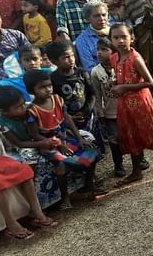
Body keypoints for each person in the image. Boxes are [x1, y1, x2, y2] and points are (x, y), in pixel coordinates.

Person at [24, 69, 103, 207]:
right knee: (61, 164)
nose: (48, 89)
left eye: (49, 85)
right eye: (42, 87)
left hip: (65, 140)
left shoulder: (58, 99)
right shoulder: (32, 111)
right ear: (31, 91)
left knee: (91, 151)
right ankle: (65, 197)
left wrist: (79, 138)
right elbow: (35, 134)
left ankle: (89, 184)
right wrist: (57, 144)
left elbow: (67, 120)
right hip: (48, 145)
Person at [108, 23, 153, 188]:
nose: (120, 41)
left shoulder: (135, 58)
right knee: (132, 135)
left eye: (124, 37)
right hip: (125, 104)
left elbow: (150, 82)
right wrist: (114, 83)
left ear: (132, 38)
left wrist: (124, 87)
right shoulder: (114, 58)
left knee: (152, 133)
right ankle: (136, 171)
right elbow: (118, 77)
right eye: (116, 37)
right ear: (111, 40)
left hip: (141, 102)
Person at [89, 38, 126, 177]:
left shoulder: (121, 66)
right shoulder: (95, 72)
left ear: (113, 51)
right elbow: (97, 94)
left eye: (104, 50)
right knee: (114, 139)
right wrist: (100, 111)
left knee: (130, 134)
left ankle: (139, 159)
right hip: (109, 111)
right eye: (98, 50)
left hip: (125, 108)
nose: (99, 53)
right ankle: (118, 165)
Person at [0, 3, 30, 81]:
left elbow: (32, 56)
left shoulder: (16, 35)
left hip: (31, 76)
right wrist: (20, 81)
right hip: (7, 85)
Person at [73, 0, 110, 72]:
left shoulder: (116, 31)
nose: (102, 19)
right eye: (96, 16)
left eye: (104, 15)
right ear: (87, 19)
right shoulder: (82, 40)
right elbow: (90, 68)